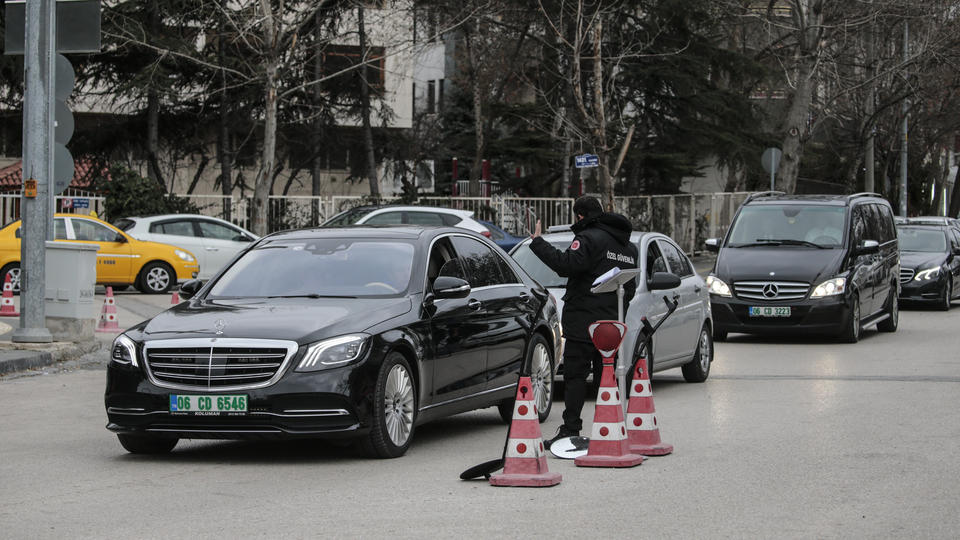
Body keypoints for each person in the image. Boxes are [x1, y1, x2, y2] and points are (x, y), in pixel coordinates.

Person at [528, 195, 639, 449]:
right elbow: (629, 289)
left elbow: (565, 265)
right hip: (611, 325)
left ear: (580, 216)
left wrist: (538, 243)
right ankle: (609, 429)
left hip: (582, 323)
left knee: (576, 377)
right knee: (607, 378)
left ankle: (571, 430)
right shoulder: (628, 247)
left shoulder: (588, 238)